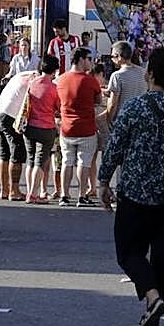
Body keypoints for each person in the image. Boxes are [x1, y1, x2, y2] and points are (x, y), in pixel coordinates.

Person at [97, 47, 164, 326]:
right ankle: (157, 304)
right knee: (163, 253)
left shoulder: (134, 108)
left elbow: (115, 147)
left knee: (128, 251)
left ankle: (152, 297)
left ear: (149, 74)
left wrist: (103, 181)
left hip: (135, 191)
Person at [56, 48, 102, 207]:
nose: (91, 61)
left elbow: (57, 101)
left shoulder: (61, 79)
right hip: (87, 128)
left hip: (67, 128)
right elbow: (98, 100)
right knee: (84, 162)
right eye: (89, 58)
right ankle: (82, 195)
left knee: (67, 162)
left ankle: (64, 195)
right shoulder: (90, 81)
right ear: (82, 59)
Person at [0, 69, 33, 200]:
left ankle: (4, 190)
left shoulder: (20, 75)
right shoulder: (33, 80)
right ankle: (14, 190)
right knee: (17, 151)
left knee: (4, 152)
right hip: (10, 115)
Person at [23, 56, 61, 204]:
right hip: (46, 127)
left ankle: (30, 191)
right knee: (40, 162)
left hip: (29, 126)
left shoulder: (32, 83)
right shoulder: (53, 88)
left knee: (30, 160)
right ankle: (33, 194)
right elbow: (58, 107)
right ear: (54, 70)